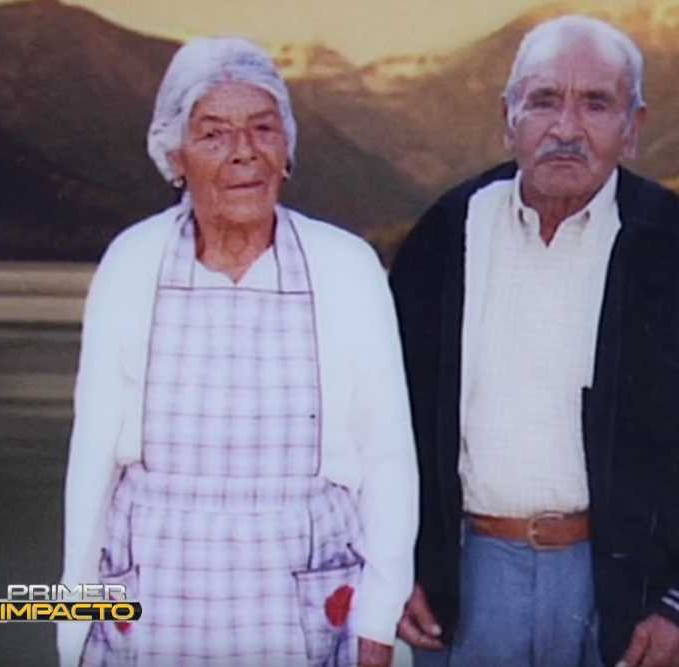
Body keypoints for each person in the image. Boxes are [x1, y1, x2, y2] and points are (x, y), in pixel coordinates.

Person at [390, 15, 679, 667]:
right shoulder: (446, 233)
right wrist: (394, 565)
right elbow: (380, 428)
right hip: (466, 584)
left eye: (595, 103)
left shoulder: (674, 241)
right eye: (543, 100)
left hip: (620, 590)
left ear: (633, 127)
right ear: (508, 117)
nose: (565, 128)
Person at [58, 37, 417, 667]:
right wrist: (73, 625)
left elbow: (387, 458)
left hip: (305, 599)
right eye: (213, 134)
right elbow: (92, 462)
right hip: (154, 593)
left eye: (262, 127)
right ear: (176, 156)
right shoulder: (132, 262)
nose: (243, 151)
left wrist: (379, 623)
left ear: (287, 149)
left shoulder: (347, 266)